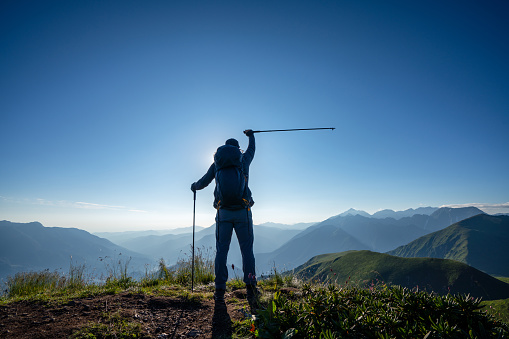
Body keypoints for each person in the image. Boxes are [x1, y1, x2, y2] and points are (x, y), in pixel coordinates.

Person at [191, 129, 259, 304]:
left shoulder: (217, 164)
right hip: (243, 212)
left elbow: (203, 182)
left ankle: (220, 287)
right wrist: (251, 135)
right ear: (237, 150)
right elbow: (252, 150)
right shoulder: (243, 161)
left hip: (223, 213)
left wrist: (193, 186)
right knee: (247, 250)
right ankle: (250, 285)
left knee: (222, 250)